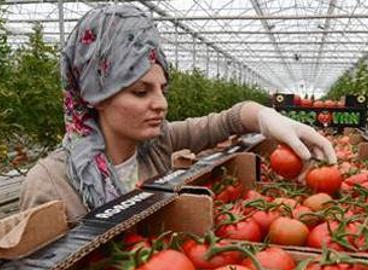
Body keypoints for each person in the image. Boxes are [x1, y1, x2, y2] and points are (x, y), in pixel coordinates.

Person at [20, 4, 336, 222]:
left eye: (162, 89)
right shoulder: (51, 183)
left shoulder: (156, 142)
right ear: (95, 95)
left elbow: (230, 119)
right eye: (141, 92)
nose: (161, 104)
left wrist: (270, 119)